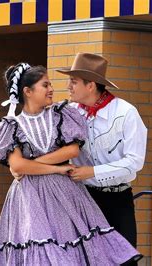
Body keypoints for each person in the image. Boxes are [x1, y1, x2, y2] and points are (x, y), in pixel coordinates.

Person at [0, 63, 142, 265]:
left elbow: (71, 150)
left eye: (72, 82)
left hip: (69, 194)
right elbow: (17, 166)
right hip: (30, 197)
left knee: (78, 253)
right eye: (46, 85)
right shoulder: (12, 126)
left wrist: (29, 165)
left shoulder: (63, 114)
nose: (55, 88)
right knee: (41, 251)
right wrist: (53, 167)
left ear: (91, 86)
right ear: (28, 91)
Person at [56, 53, 147, 265]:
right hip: (82, 198)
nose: (68, 86)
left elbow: (135, 162)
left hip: (118, 199)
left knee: (124, 260)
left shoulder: (126, 113)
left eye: (74, 81)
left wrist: (93, 172)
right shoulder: (69, 113)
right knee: (83, 258)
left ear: (91, 86)